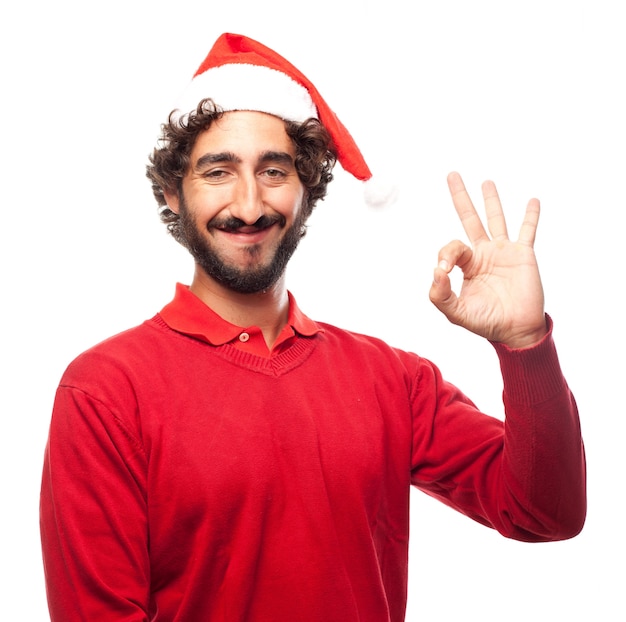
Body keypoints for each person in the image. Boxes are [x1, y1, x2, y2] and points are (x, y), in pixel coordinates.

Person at [39, 32, 586, 621]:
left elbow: (545, 513)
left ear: (309, 192)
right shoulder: (104, 391)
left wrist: (525, 345)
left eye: (274, 171)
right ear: (174, 192)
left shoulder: (392, 380)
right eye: (218, 172)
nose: (248, 204)